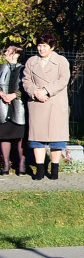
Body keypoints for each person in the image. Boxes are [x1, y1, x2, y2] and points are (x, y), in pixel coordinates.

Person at [20, 31, 70, 181]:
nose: (41, 49)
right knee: (38, 138)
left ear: (52, 47)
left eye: (45, 46)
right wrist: (35, 92)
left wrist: (46, 91)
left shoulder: (61, 61)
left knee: (56, 138)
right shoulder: (31, 61)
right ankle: (40, 169)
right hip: (37, 104)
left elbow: (63, 80)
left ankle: (54, 168)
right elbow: (25, 80)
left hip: (55, 103)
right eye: (39, 46)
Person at [0, 45, 28, 176]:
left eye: (8, 50)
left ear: (16, 53)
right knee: (4, 134)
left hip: (19, 106)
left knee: (21, 135)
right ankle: (5, 165)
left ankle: (21, 164)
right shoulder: (1, 67)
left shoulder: (24, 69)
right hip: (3, 105)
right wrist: (2, 94)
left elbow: (26, 87)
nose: (5, 52)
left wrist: (14, 95)